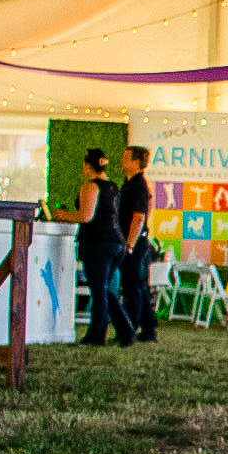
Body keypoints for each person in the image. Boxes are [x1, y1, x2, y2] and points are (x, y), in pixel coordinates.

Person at [45, 148, 134, 347]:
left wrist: (61, 215)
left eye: (84, 165)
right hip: (117, 243)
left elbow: (86, 216)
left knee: (99, 291)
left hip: (99, 244)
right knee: (105, 290)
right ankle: (126, 330)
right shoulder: (114, 187)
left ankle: (96, 335)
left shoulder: (91, 187)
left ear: (88, 166)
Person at [117, 145, 157, 343]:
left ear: (136, 162)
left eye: (126, 157)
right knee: (139, 286)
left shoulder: (138, 185)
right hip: (134, 241)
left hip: (134, 242)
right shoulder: (130, 183)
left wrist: (129, 245)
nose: (122, 160)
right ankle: (148, 330)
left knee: (133, 286)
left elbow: (139, 217)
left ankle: (130, 328)